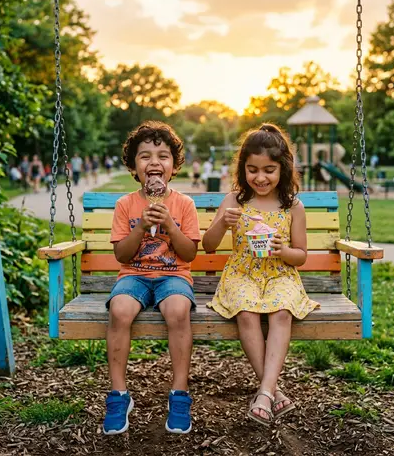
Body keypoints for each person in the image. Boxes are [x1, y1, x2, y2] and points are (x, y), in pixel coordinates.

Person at [202, 123, 319, 426]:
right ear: (243, 170)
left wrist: (283, 251)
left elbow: (301, 256)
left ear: (283, 169)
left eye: (269, 170)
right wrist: (221, 224)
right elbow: (209, 246)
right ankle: (273, 392)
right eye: (253, 169)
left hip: (280, 274)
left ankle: (265, 392)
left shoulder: (292, 206)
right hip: (241, 273)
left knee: (282, 312)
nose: (260, 177)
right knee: (246, 311)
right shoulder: (234, 201)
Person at [103, 121, 201, 435]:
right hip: (135, 274)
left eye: (163, 156)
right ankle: (119, 395)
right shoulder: (126, 205)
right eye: (145, 156)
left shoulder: (184, 205)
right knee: (119, 310)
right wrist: (141, 227)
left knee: (177, 310)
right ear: (134, 167)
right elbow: (122, 256)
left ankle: (179, 393)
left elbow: (188, 254)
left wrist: (171, 226)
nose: (154, 162)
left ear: (173, 167)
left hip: (174, 275)